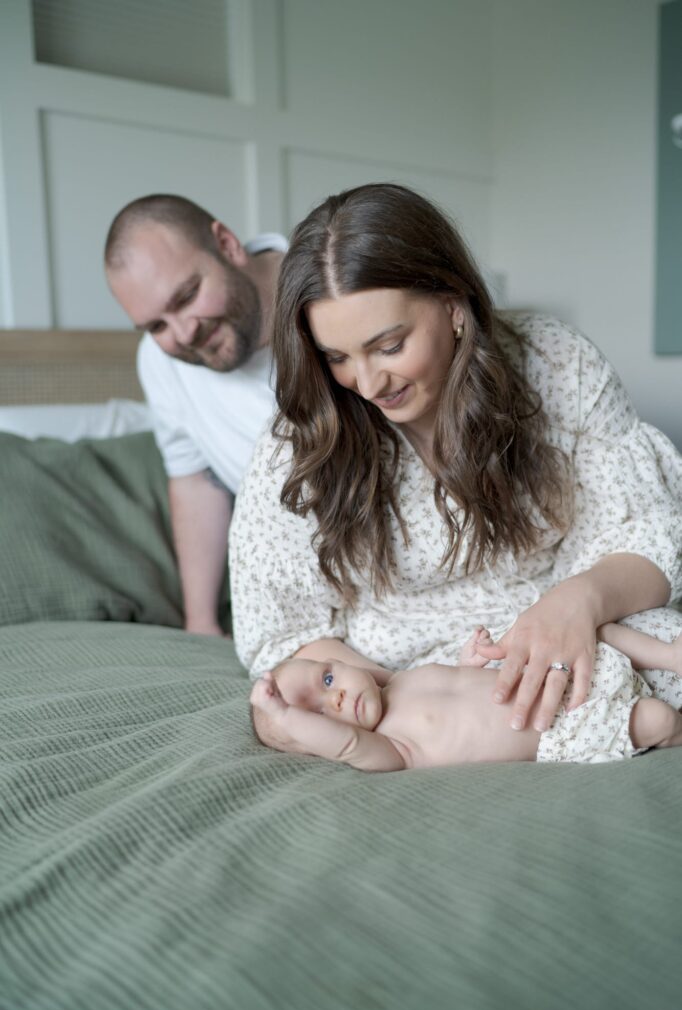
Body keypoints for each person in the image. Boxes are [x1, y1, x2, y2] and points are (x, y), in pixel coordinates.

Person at [230, 183, 682, 733]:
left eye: (390, 346)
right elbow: (281, 630)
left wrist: (577, 601)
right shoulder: (303, 434)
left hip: (570, 624)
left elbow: (646, 529)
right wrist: (425, 692)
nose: (368, 384)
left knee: (661, 647)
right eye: (337, 357)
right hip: (397, 680)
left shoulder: (556, 361)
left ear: (453, 306)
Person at [104, 194, 287, 636]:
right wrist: (201, 622)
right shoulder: (160, 360)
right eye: (156, 325)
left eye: (187, 296)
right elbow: (195, 478)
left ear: (226, 244)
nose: (184, 334)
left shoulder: (338, 290)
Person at [249, 622, 682, 770]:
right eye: (321, 715)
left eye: (327, 681)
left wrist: (470, 658)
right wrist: (284, 716)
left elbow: (455, 684)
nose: (338, 699)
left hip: (552, 678)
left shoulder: (401, 679)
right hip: (561, 729)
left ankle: (670, 656)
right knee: (656, 718)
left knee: (595, 631)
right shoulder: (390, 749)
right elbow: (343, 744)